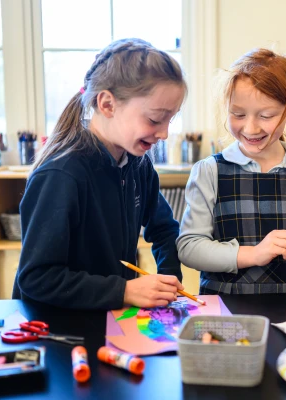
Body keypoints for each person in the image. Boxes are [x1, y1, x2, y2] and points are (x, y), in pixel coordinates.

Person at [13, 38, 185, 309]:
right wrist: (124, 291)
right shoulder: (61, 175)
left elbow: (164, 229)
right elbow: (37, 278)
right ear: (107, 104)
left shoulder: (139, 164)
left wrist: (169, 278)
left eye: (169, 120)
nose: (163, 133)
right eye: (154, 119)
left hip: (112, 316)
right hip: (58, 325)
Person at [177, 48, 286, 295]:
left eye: (266, 115)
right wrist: (254, 254)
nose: (250, 127)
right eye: (238, 114)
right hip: (225, 313)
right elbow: (190, 248)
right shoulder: (209, 171)